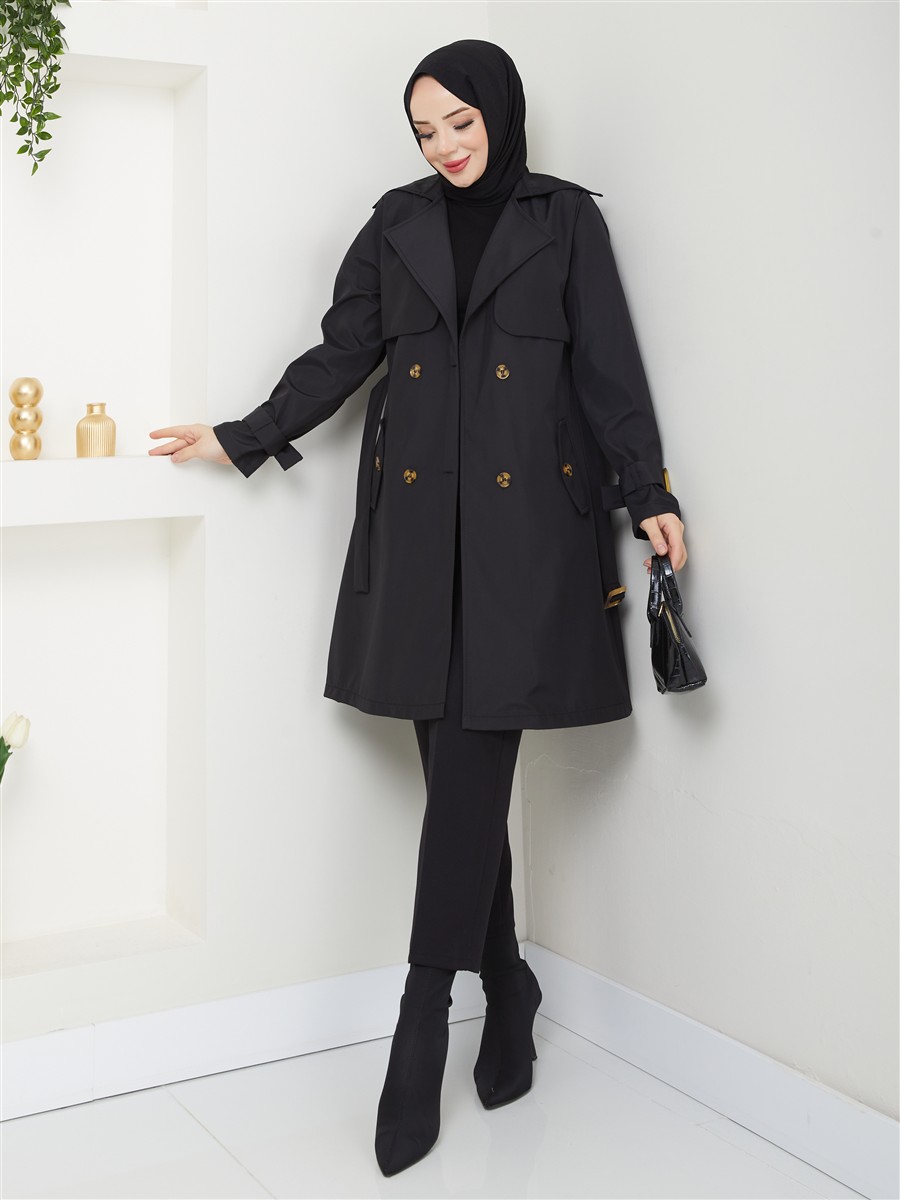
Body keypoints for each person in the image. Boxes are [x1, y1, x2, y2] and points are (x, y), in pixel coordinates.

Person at [149, 39, 687, 1178]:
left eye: (460, 122)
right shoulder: (394, 223)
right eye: (425, 129)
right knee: (460, 772)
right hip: (415, 537)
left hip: (527, 542)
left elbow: (609, 372)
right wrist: (241, 436)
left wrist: (650, 493)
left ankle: (422, 1013)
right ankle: (508, 982)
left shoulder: (564, 221)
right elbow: (342, 352)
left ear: (501, 112)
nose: (445, 145)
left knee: (472, 761)